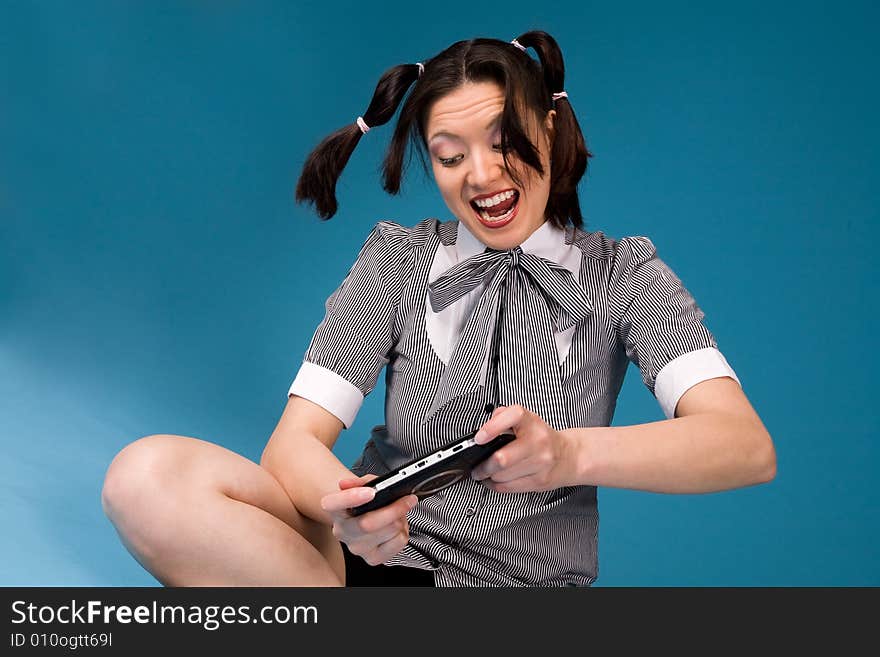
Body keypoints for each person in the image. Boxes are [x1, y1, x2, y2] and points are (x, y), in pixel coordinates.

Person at [101, 30, 776, 587]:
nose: (481, 176)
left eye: (502, 140)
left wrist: (568, 454)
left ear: (549, 127)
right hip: (357, 562)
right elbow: (294, 444)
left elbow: (742, 444)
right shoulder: (396, 260)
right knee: (146, 477)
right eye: (451, 156)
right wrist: (358, 509)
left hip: (514, 585)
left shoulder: (625, 274)